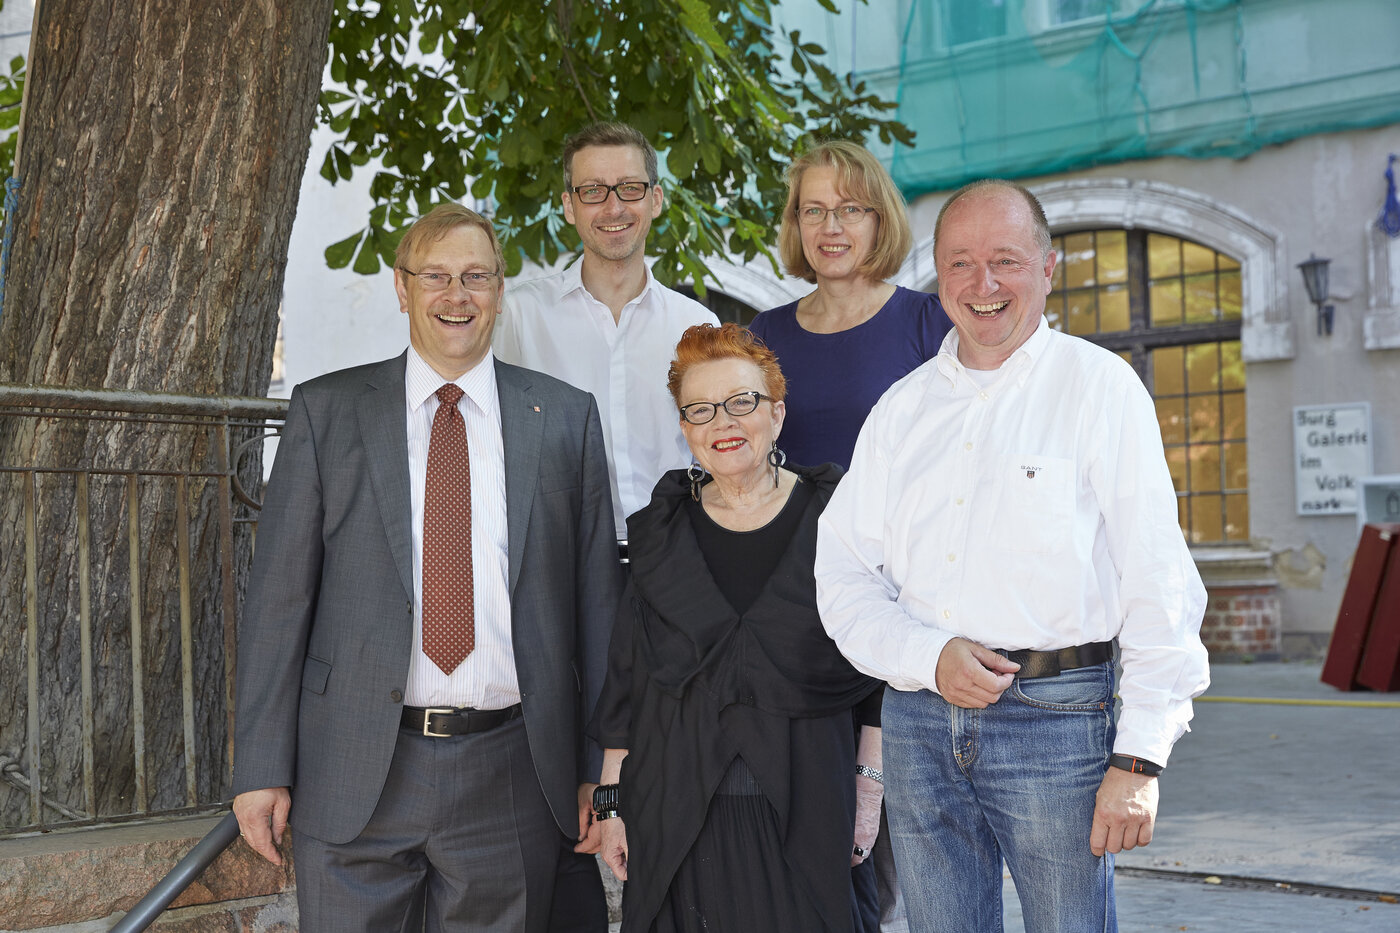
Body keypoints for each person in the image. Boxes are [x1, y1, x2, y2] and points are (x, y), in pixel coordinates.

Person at [814, 180, 1210, 933]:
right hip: (920, 725)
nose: (983, 284)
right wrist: (927, 655)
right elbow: (840, 572)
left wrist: (1139, 759)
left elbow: (1159, 578)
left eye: (1005, 260)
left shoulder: (1099, 389)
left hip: (1058, 724)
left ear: (1049, 267)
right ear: (937, 277)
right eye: (960, 263)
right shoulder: (902, 409)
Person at [231, 203, 622, 932]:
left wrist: (599, 772)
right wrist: (259, 765)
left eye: (476, 275)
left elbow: (598, 608)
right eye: (436, 275)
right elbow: (278, 602)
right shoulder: (328, 412)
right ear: (402, 288)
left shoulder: (565, 418)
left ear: (501, 289)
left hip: (510, 774)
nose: (457, 295)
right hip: (353, 769)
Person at [589, 323, 879, 933]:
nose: (722, 422)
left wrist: (870, 785)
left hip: (810, 798)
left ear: (775, 414)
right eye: (700, 409)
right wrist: (613, 799)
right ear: (686, 429)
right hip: (676, 809)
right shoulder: (660, 530)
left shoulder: (841, 515)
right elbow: (629, 674)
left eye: (741, 402)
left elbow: (877, 670)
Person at [748, 139, 951, 932]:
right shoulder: (764, 334)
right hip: (795, 614)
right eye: (814, 209)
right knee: (799, 836)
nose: (831, 226)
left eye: (850, 209)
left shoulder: (928, 323)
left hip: (905, 614)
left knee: (878, 851)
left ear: (880, 219)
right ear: (796, 224)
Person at [494, 121, 719, 542]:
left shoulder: (696, 326)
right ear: (568, 205)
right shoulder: (517, 316)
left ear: (655, 199)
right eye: (593, 191)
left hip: (678, 552)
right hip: (559, 554)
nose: (613, 207)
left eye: (629, 188)